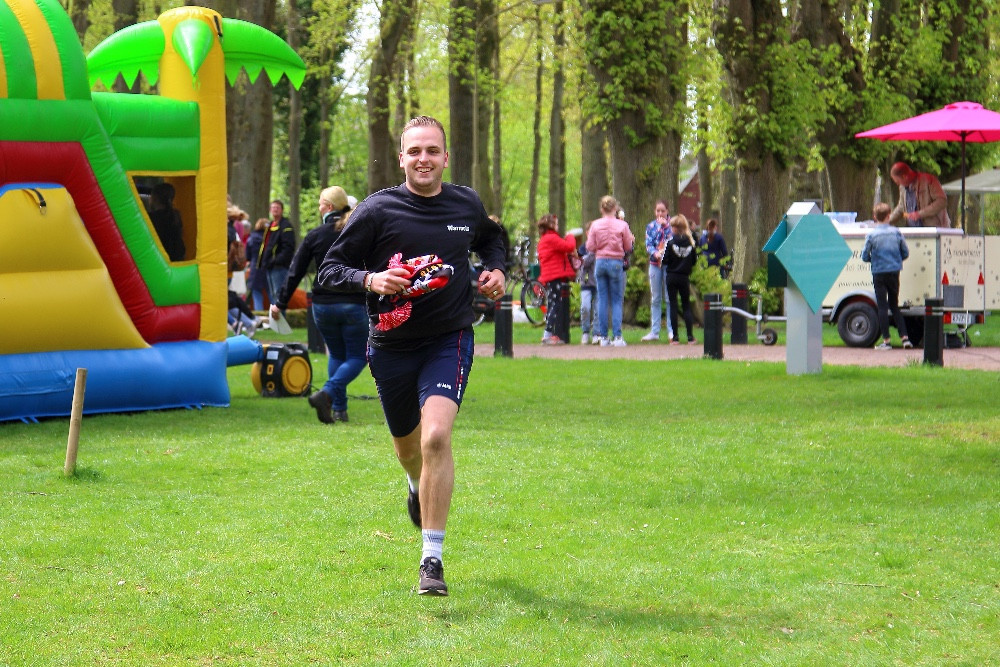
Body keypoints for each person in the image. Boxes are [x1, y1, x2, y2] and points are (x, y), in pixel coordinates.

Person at [317, 115, 506, 596]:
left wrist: (497, 269)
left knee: (436, 437)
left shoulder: (465, 203)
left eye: (432, 150)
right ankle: (416, 486)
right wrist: (371, 279)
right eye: (415, 151)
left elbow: (491, 239)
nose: (424, 159)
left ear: (446, 157)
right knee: (409, 450)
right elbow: (330, 270)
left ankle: (431, 559)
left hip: (449, 339)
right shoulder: (377, 211)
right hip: (391, 347)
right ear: (401, 158)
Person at [269, 187, 367, 424]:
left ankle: (339, 409)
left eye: (321, 204)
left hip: (322, 306)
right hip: (353, 303)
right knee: (359, 355)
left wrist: (280, 303)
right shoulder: (359, 232)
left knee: (337, 354)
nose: (319, 207)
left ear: (329, 207)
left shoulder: (315, 235)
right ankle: (328, 393)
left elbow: (295, 272)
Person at [862, 202, 914, 350]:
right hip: (894, 272)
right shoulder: (896, 232)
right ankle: (905, 338)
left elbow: (864, 256)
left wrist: (874, 260)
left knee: (882, 307)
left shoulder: (871, 235)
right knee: (894, 305)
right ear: (889, 216)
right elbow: (905, 253)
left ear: (874, 217)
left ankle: (886, 340)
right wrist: (896, 261)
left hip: (878, 272)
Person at [585, 196, 634, 347]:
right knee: (617, 300)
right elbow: (628, 247)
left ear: (601, 209)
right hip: (616, 262)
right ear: (615, 208)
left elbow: (590, 247)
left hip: (600, 262)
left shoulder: (595, 225)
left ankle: (603, 336)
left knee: (602, 299)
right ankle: (617, 336)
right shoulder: (622, 225)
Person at [535, 213, 580, 345]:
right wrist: (570, 236)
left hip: (549, 275)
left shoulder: (544, 239)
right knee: (555, 304)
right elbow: (569, 246)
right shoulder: (551, 238)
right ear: (551, 225)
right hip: (555, 276)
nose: (558, 226)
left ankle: (552, 334)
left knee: (553, 303)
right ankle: (548, 333)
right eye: (556, 224)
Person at [641, 200, 672, 342]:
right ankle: (655, 331)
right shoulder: (651, 226)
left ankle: (671, 330)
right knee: (655, 298)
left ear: (667, 211)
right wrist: (655, 253)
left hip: (669, 265)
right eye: (658, 211)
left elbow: (672, 240)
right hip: (655, 264)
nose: (660, 213)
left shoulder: (672, 226)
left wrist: (665, 227)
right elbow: (648, 244)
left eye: (662, 211)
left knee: (669, 298)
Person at [257, 199, 296, 309]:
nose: (275, 210)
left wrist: (276, 260)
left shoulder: (286, 226)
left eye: (277, 208)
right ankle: (276, 319)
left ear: (282, 210)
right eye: (273, 207)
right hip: (269, 266)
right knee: (273, 294)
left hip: (279, 266)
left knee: (279, 294)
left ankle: (281, 317)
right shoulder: (270, 226)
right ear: (270, 210)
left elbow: (288, 248)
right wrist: (264, 262)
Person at [664, 214, 697, 345]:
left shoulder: (670, 243)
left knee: (673, 305)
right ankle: (690, 337)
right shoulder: (691, 243)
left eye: (672, 226)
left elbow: (665, 260)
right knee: (686, 306)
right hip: (684, 277)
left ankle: (675, 337)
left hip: (671, 276)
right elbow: (694, 261)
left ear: (676, 228)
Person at [889, 162, 952, 228]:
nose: (898, 184)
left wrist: (920, 214)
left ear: (904, 176)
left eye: (898, 182)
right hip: (913, 229)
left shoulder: (928, 180)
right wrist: (887, 221)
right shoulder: (902, 187)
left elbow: (942, 201)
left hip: (934, 228)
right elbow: (901, 207)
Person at [148, 182, 185, 262]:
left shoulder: (150, 218)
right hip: (176, 258)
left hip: (157, 259)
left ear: (155, 198)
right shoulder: (176, 216)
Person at [245, 218, 269, 311]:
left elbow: (248, 256)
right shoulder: (270, 238)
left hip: (255, 268)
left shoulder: (251, 238)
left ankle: (259, 314)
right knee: (271, 293)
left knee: (256, 294)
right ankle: (276, 314)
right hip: (268, 267)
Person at [578, 238, 598, 345]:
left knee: (598, 309)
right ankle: (585, 331)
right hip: (586, 283)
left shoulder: (603, 246)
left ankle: (596, 333)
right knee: (585, 307)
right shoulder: (583, 248)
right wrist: (592, 253)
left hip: (598, 283)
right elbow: (583, 263)